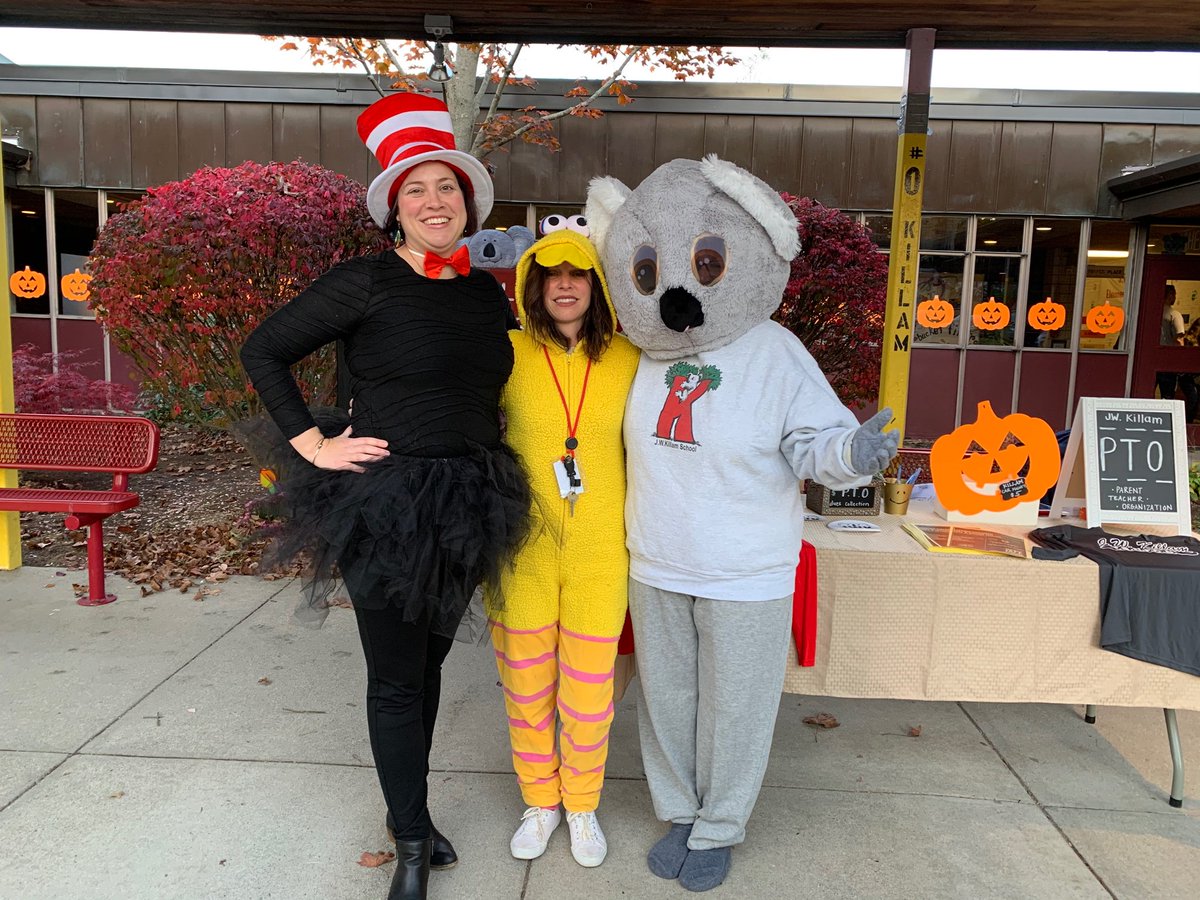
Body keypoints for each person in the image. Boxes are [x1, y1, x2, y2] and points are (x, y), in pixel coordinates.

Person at [240, 93, 530, 900]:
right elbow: (263, 348)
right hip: (388, 502)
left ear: (467, 204)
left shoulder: (482, 293)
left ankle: (417, 810)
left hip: (471, 498)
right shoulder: (364, 282)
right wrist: (313, 443)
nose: (435, 202)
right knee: (397, 679)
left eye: (447, 188)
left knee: (430, 664)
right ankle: (408, 840)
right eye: (416, 191)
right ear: (394, 211)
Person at [486, 227, 640, 868]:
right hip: (524, 546)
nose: (565, 285)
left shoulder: (630, 357)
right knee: (526, 684)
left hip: (604, 549)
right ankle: (539, 802)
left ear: (596, 286)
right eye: (550, 276)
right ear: (532, 288)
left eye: (576, 275)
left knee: (587, 688)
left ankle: (580, 806)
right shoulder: (508, 352)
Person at [1157, 283, 1198, 422]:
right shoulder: (1174, 315)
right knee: (1168, 395)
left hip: (1154, 359)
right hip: (1170, 361)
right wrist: (1181, 363)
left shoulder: (1152, 312)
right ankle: (1169, 422)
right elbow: (1179, 339)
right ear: (1170, 295)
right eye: (1174, 294)